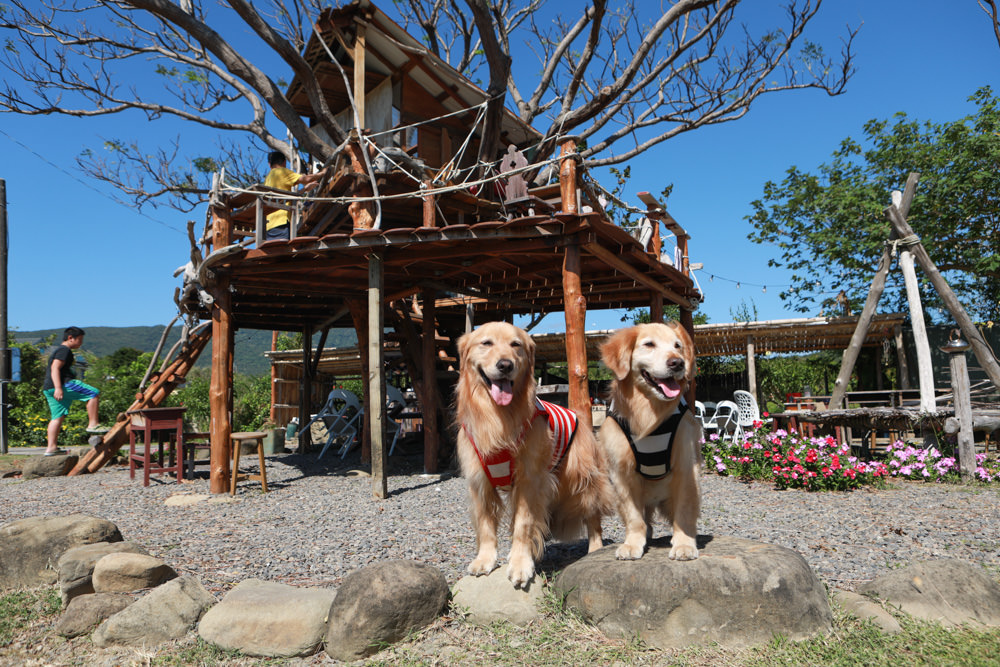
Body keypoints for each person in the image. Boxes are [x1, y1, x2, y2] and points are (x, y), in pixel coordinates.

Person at [42, 326, 106, 455]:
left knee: (57, 417)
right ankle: (93, 424)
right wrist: (59, 388)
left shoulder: (60, 350)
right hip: (63, 384)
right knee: (93, 393)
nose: (81, 343)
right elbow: (55, 368)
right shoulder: (64, 350)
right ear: (70, 338)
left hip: (49, 388)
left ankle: (51, 448)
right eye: (80, 340)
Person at [263, 151, 328, 240]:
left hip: (269, 225)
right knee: (285, 251)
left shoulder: (268, 178)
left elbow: (288, 197)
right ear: (284, 162)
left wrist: (305, 189)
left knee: (276, 252)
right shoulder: (281, 172)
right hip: (281, 222)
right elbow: (306, 179)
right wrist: (323, 173)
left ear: (269, 164)